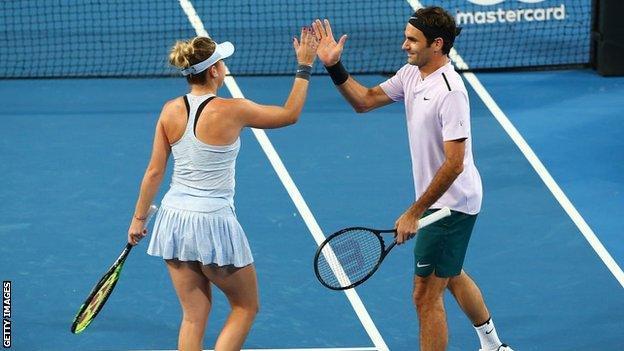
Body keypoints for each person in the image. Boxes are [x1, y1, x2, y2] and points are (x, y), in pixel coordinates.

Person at [312, 7, 512, 351]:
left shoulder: (451, 91)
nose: (404, 45)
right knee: (450, 275)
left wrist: (415, 212)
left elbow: (454, 164)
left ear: (437, 44)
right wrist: (333, 65)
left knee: (424, 296)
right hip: (440, 202)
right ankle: (494, 346)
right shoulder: (410, 74)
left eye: (412, 40)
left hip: (451, 207)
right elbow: (365, 101)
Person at [126, 27, 318, 351]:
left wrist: (138, 220)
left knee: (193, 315)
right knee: (245, 307)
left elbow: (154, 171)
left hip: (173, 221)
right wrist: (305, 65)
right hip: (212, 223)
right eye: (222, 63)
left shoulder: (169, 109)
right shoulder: (234, 109)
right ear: (214, 70)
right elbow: (290, 114)